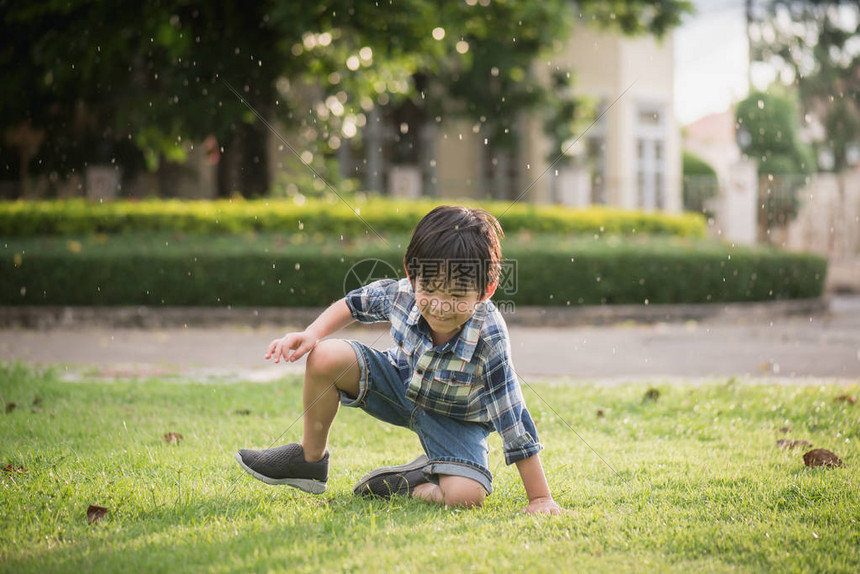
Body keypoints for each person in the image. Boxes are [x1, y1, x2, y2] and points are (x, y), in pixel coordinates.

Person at [235, 205, 563, 514]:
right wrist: (312, 334)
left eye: (457, 296)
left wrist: (540, 497)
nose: (441, 306)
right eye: (430, 290)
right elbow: (354, 304)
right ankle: (309, 459)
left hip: (455, 419)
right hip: (398, 384)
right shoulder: (401, 292)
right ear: (411, 274)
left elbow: (512, 416)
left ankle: (413, 482)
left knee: (465, 497)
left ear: (487, 290)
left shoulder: (490, 338)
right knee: (325, 356)